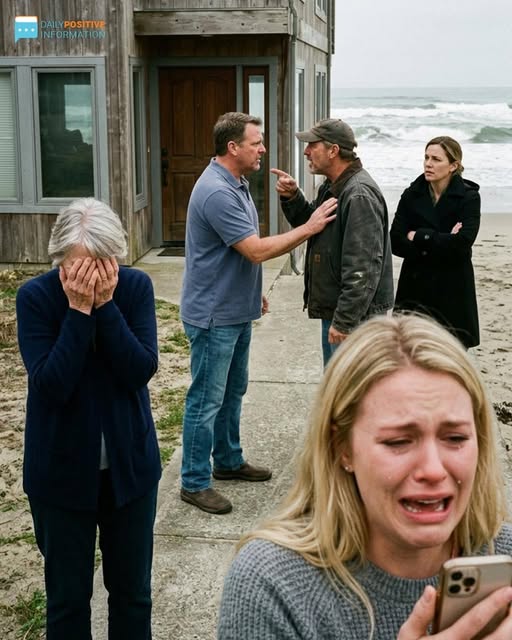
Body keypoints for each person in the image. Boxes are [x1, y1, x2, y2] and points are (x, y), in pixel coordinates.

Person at [217, 313, 512, 639]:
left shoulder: (504, 555)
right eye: (398, 442)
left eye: (455, 438)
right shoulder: (272, 585)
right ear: (342, 447)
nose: (432, 469)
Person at [16, 198, 161, 640]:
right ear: (58, 259)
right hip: (59, 474)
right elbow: (52, 386)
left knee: (132, 595)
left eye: (101, 265)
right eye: (78, 267)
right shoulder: (36, 298)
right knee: (67, 600)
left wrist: (106, 307)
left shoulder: (134, 288)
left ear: (116, 258)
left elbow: (140, 370)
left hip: (129, 471)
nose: (90, 278)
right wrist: (78, 312)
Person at [180, 111, 338, 515]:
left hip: (235, 308)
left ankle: (228, 460)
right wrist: (309, 227)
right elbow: (254, 250)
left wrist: (253, 295)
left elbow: (236, 252)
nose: (263, 149)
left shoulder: (237, 183)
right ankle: (194, 481)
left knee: (233, 391)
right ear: (233, 147)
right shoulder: (216, 192)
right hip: (213, 315)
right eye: (256, 143)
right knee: (206, 399)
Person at [271, 118, 394, 366]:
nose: (306, 151)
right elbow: (315, 226)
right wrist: (293, 197)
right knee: (339, 385)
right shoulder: (334, 185)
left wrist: (345, 321)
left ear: (333, 150)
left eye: (312, 145)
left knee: (351, 387)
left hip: (356, 319)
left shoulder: (358, 194)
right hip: (342, 311)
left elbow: (363, 269)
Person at [390, 136, 480, 349]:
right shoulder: (412, 194)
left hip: (453, 286)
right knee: (409, 353)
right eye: (426, 157)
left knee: (452, 354)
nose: (428, 164)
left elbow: (463, 242)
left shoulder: (468, 197)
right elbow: (395, 241)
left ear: (453, 166)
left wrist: (418, 236)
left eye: (436, 159)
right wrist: (445, 238)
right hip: (415, 285)